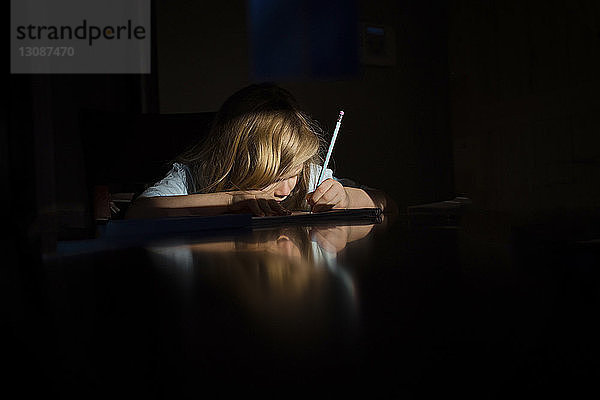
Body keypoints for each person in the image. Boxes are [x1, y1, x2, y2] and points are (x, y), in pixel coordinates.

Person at [125, 83, 395, 219]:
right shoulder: (193, 175)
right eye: (276, 176)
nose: (286, 189)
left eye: (294, 173)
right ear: (237, 161)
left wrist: (346, 198)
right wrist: (233, 201)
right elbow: (140, 211)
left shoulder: (306, 178)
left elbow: (386, 204)